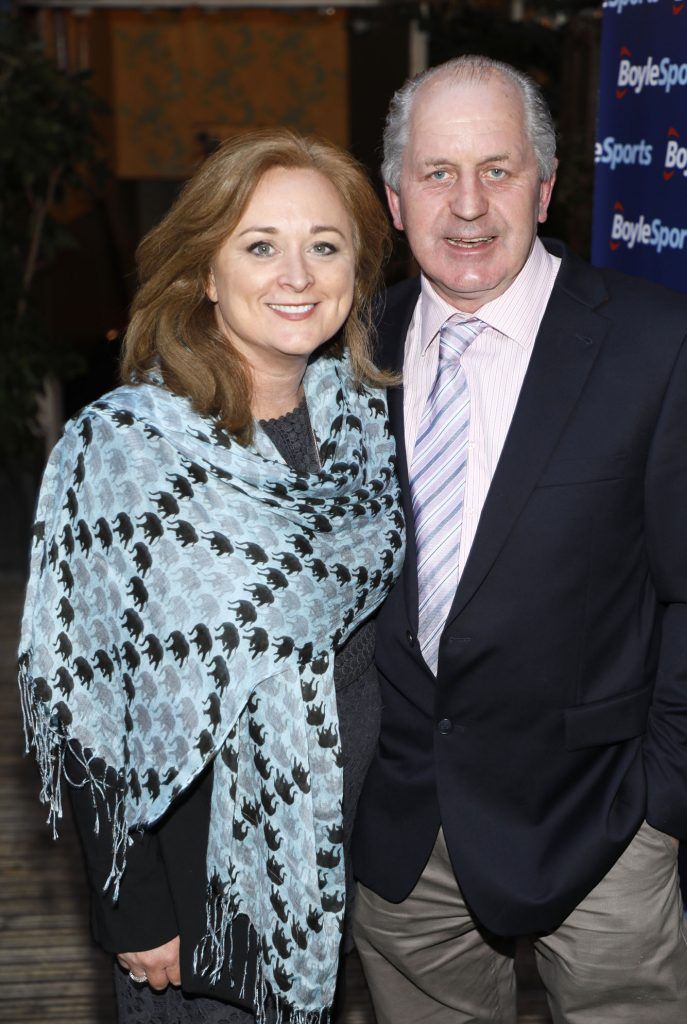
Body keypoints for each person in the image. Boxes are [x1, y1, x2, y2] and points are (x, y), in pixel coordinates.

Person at [351, 54, 687, 1024]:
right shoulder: (348, 350)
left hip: (601, 823)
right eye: (438, 173)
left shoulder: (659, 345)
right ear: (396, 198)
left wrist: (661, 809)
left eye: (498, 168)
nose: (469, 205)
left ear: (547, 181)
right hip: (403, 836)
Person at [18, 127, 405, 1024]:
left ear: (358, 269)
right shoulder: (127, 450)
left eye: (325, 245)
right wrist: (133, 907)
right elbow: (78, 691)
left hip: (336, 856)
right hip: (199, 897)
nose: (297, 274)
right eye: (260, 245)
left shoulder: (368, 431)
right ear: (204, 271)